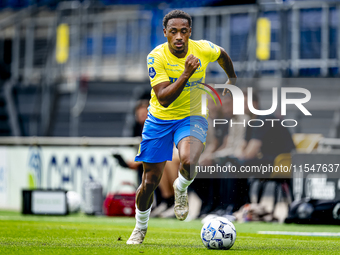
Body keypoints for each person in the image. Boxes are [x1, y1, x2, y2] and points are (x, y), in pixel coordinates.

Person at [127, 9, 237, 244]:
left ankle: (181, 186)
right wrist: (187, 73)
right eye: (174, 31)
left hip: (193, 116)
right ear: (165, 32)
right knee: (149, 182)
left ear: (190, 33)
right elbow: (164, 98)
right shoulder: (156, 57)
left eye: (184, 31)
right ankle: (140, 227)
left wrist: (232, 79)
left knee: (188, 160)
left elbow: (223, 55)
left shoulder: (203, 48)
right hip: (160, 119)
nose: (179, 36)